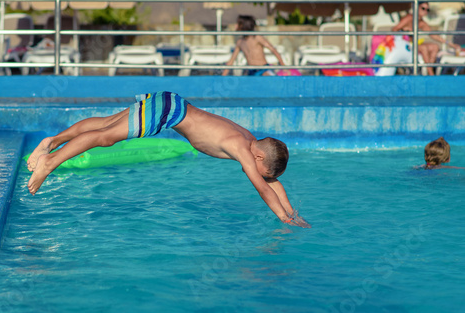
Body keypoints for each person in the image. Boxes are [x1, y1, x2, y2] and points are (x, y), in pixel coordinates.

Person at [27, 91, 310, 228]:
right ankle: (49, 163)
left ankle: (49, 142)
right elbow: (261, 186)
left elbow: (270, 181)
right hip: (170, 113)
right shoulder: (241, 148)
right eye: (262, 169)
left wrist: (293, 212)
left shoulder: (249, 138)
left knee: (105, 125)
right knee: (105, 137)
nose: (260, 174)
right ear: (259, 156)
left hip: (171, 103)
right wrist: (282, 217)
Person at [392, 2, 461, 76]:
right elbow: (394, 29)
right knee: (424, 48)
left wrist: (451, 44)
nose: (425, 11)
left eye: (427, 10)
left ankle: (429, 70)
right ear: (417, 8)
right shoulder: (409, 18)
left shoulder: (422, 23)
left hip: (414, 44)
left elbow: (434, 36)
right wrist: (405, 32)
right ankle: (431, 74)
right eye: (423, 8)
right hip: (405, 45)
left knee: (435, 47)